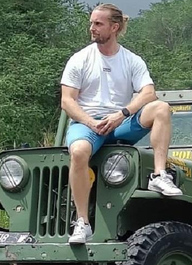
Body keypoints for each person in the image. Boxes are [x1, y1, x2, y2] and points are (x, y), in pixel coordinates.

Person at [60, 3, 181, 245]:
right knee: (79, 151)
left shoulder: (131, 60)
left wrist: (121, 114)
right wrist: (90, 122)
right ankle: (82, 222)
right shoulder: (80, 59)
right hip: (88, 124)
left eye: (98, 24)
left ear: (114, 27)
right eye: (91, 23)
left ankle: (159, 174)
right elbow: (67, 101)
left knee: (161, 108)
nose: (92, 28)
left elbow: (148, 93)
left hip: (121, 123)